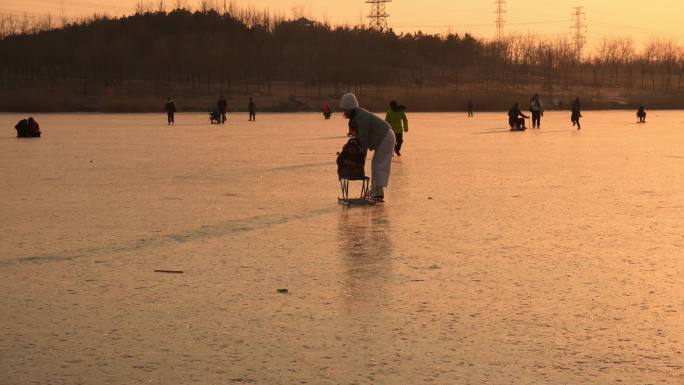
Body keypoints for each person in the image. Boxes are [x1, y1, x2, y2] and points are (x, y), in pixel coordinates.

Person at [340, 93, 396, 202]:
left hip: (385, 137)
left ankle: (378, 192)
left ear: (350, 108)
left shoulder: (361, 117)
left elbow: (363, 138)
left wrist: (361, 156)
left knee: (379, 163)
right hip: (383, 137)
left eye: (345, 110)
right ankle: (375, 189)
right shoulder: (357, 116)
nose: (344, 112)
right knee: (375, 163)